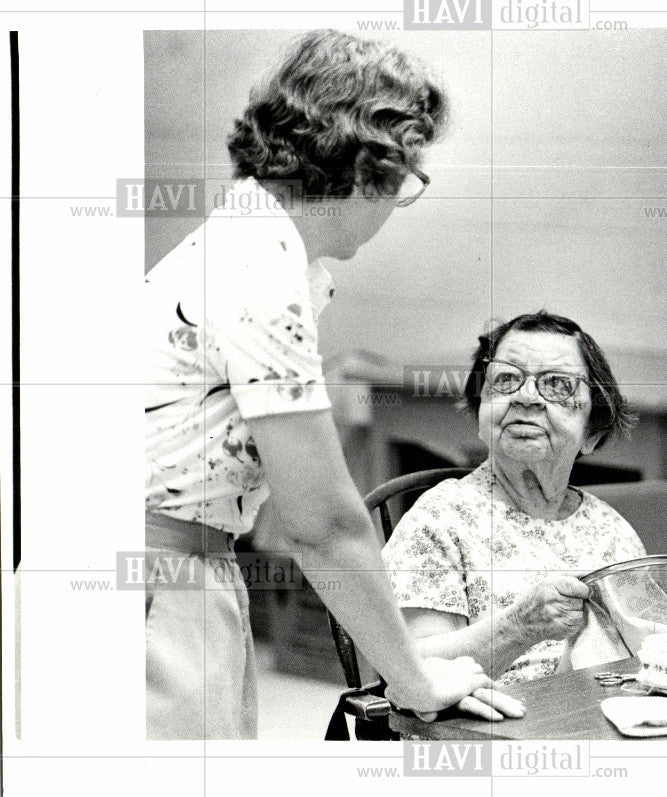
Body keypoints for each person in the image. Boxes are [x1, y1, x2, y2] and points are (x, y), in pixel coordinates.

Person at [144, 29, 520, 739]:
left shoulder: (251, 242)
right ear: (369, 165)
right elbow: (322, 522)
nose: (401, 197)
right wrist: (414, 680)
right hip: (160, 589)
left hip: (179, 575)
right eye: (407, 174)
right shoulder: (259, 266)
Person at [382, 312, 647, 685]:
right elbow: (412, 670)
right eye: (506, 379)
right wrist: (520, 626)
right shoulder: (439, 519)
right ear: (480, 411)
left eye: (557, 385)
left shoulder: (610, 529)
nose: (526, 397)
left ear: (593, 431)